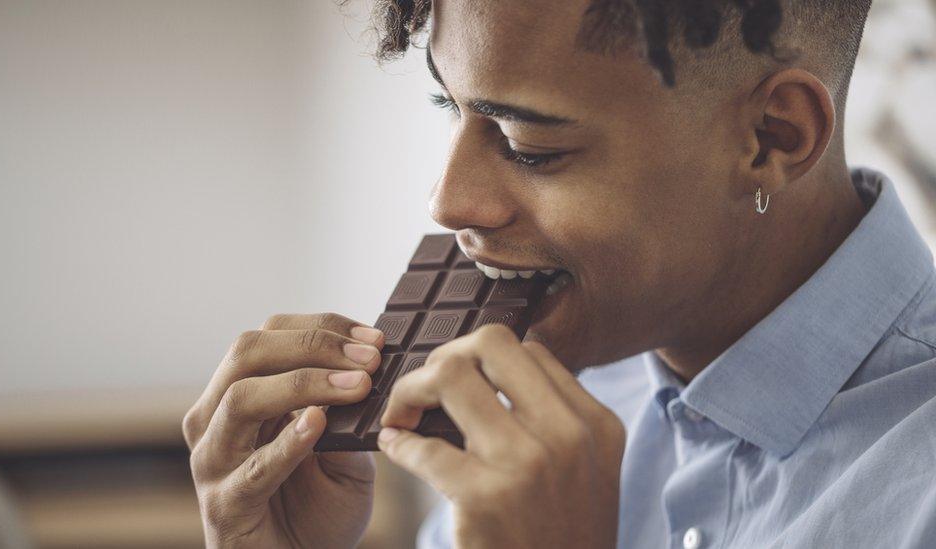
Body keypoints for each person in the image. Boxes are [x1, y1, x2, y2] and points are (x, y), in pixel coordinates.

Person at [181, 1, 936, 547]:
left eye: (529, 146)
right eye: (451, 105)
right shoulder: (522, 409)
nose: (447, 202)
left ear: (773, 137)